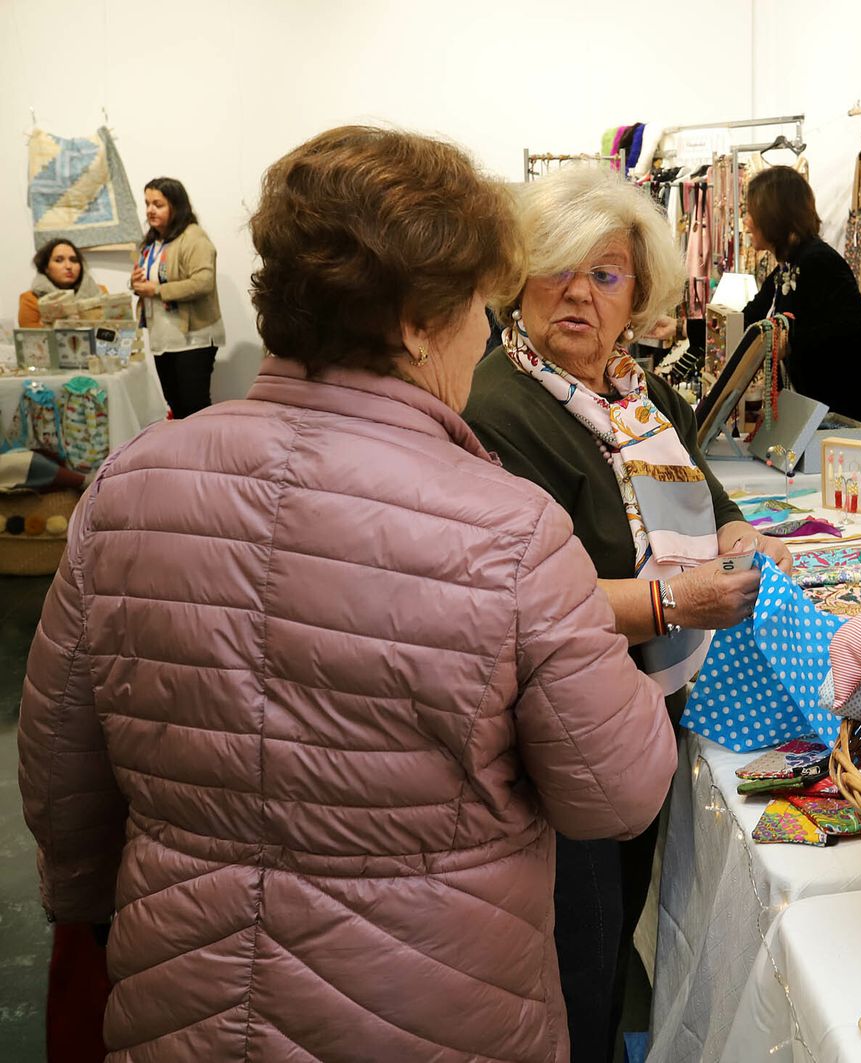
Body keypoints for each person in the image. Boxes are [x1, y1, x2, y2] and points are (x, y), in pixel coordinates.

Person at [19, 126, 676, 1063]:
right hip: (432, 1008)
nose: (487, 333)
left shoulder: (127, 490)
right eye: (475, 309)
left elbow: (60, 774)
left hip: (183, 1003)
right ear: (415, 321)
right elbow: (618, 792)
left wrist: (104, 912)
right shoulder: (512, 531)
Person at [464, 165, 791, 1062]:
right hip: (565, 732)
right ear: (514, 280)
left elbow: (706, 486)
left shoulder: (634, 392)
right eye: (555, 268)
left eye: (604, 275)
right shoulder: (499, 407)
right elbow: (531, 600)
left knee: (617, 922)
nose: (578, 291)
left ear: (636, 294)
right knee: (581, 949)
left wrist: (742, 534)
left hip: (649, 702)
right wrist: (677, 600)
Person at [741, 165, 861, 443]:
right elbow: (748, 319)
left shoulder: (818, 262)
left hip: (860, 425)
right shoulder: (787, 266)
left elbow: (855, 328)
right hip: (832, 424)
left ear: (773, 216)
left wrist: (791, 339)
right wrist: (683, 328)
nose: (746, 221)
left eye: (751, 213)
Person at [131, 177, 225, 418]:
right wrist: (137, 284)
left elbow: (202, 283)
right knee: (176, 405)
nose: (150, 210)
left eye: (158, 204)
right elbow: (150, 280)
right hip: (163, 337)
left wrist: (157, 290)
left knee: (194, 407)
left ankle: (204, 455)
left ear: (177, 206)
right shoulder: (153, 241)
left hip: (193, 337)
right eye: (147, 204)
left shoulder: (194, 238)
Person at [18, 239, 102, 327]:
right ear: (46, 268)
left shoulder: (99, 292)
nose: (69, 266)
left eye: (74, 260)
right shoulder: (31, 299)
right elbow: (32, 338)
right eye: (59, 260)